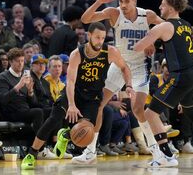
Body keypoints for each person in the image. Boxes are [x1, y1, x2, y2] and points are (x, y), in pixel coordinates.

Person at [21, 22, 134, 170]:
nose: (100, 41)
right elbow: (71, 81)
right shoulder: (77, 54)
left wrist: (129, 84)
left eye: (103, 38)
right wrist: (72, 105)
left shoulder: (110, 51)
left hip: (93, 96)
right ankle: (32, 154)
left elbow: (125, 68)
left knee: (85, 129)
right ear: (89, 36)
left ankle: (65, 136)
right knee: (54, 119)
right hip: (74, 91)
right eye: (97, 37)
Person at [133, 0, 193, 166]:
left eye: (162, 3)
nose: (160, 6)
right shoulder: (185, 24)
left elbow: (139, 46)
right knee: (191, 112)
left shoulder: (164, 26)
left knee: (150, 113)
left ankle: (167, 156)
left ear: (169, 5)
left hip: (181, 77)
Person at [79, 0, 163, 164]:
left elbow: (168, 29)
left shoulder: (147, 15)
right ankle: (90, 150)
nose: (123, 5)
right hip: (119, 65)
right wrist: (98, 2)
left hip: (141, 67)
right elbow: (85, 19)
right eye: (121, 1)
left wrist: (153, 40)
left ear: (135, 1)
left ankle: (157, 152)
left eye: (126, 2)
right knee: (99, 104)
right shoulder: (114, 13)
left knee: (138, 109)